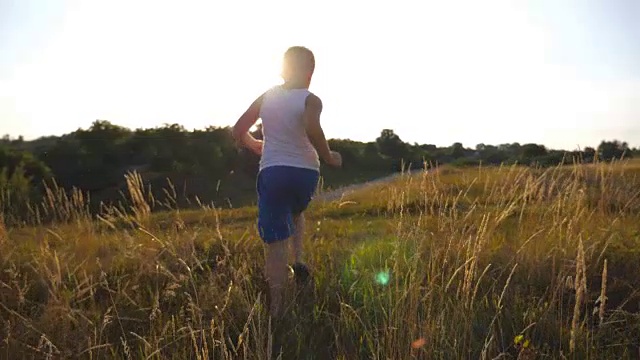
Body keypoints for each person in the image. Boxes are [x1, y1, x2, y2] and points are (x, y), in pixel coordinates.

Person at [232, 46, 342, 317]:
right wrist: (328, 156)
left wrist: (252, 143)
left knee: (274, 243)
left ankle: (278, 311)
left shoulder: (267, 96)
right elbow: (312, 128)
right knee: (296, 210)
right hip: (305, 173)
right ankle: (299, 259)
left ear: (282, 69)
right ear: (310, 73)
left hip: (274, 170)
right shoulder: (311, 99)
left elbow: (238, 129)